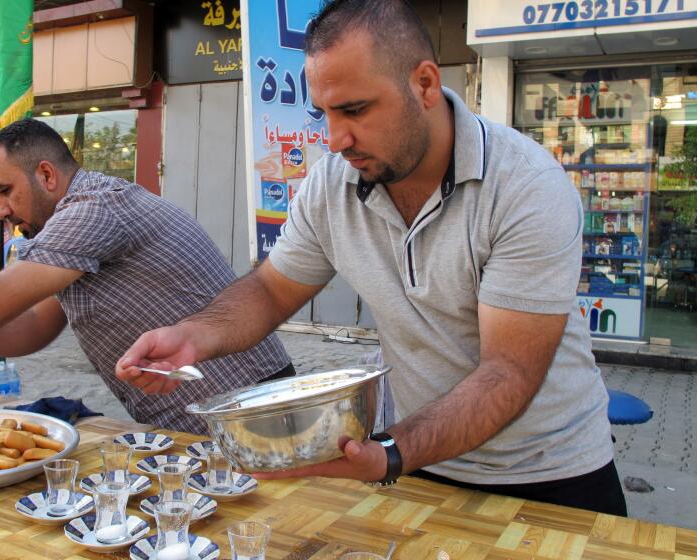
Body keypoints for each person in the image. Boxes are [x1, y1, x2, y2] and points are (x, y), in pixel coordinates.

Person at [115, 0, 626, 515]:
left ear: (425, 84)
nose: (336, 140)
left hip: (551, 476)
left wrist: (389, 452)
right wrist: (192, 338)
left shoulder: (525, 187)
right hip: (421, 462)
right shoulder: (333, 182)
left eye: (355, 110)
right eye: (325, 113)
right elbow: (272, 290)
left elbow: (509, 370)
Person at [0, 119, 293, 434]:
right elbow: (33, 329)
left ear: (46, 174)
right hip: (196, 419)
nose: (2, 211)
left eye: (5, 191)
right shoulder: (65, 236)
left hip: (250, 410)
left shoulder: (93, 208)